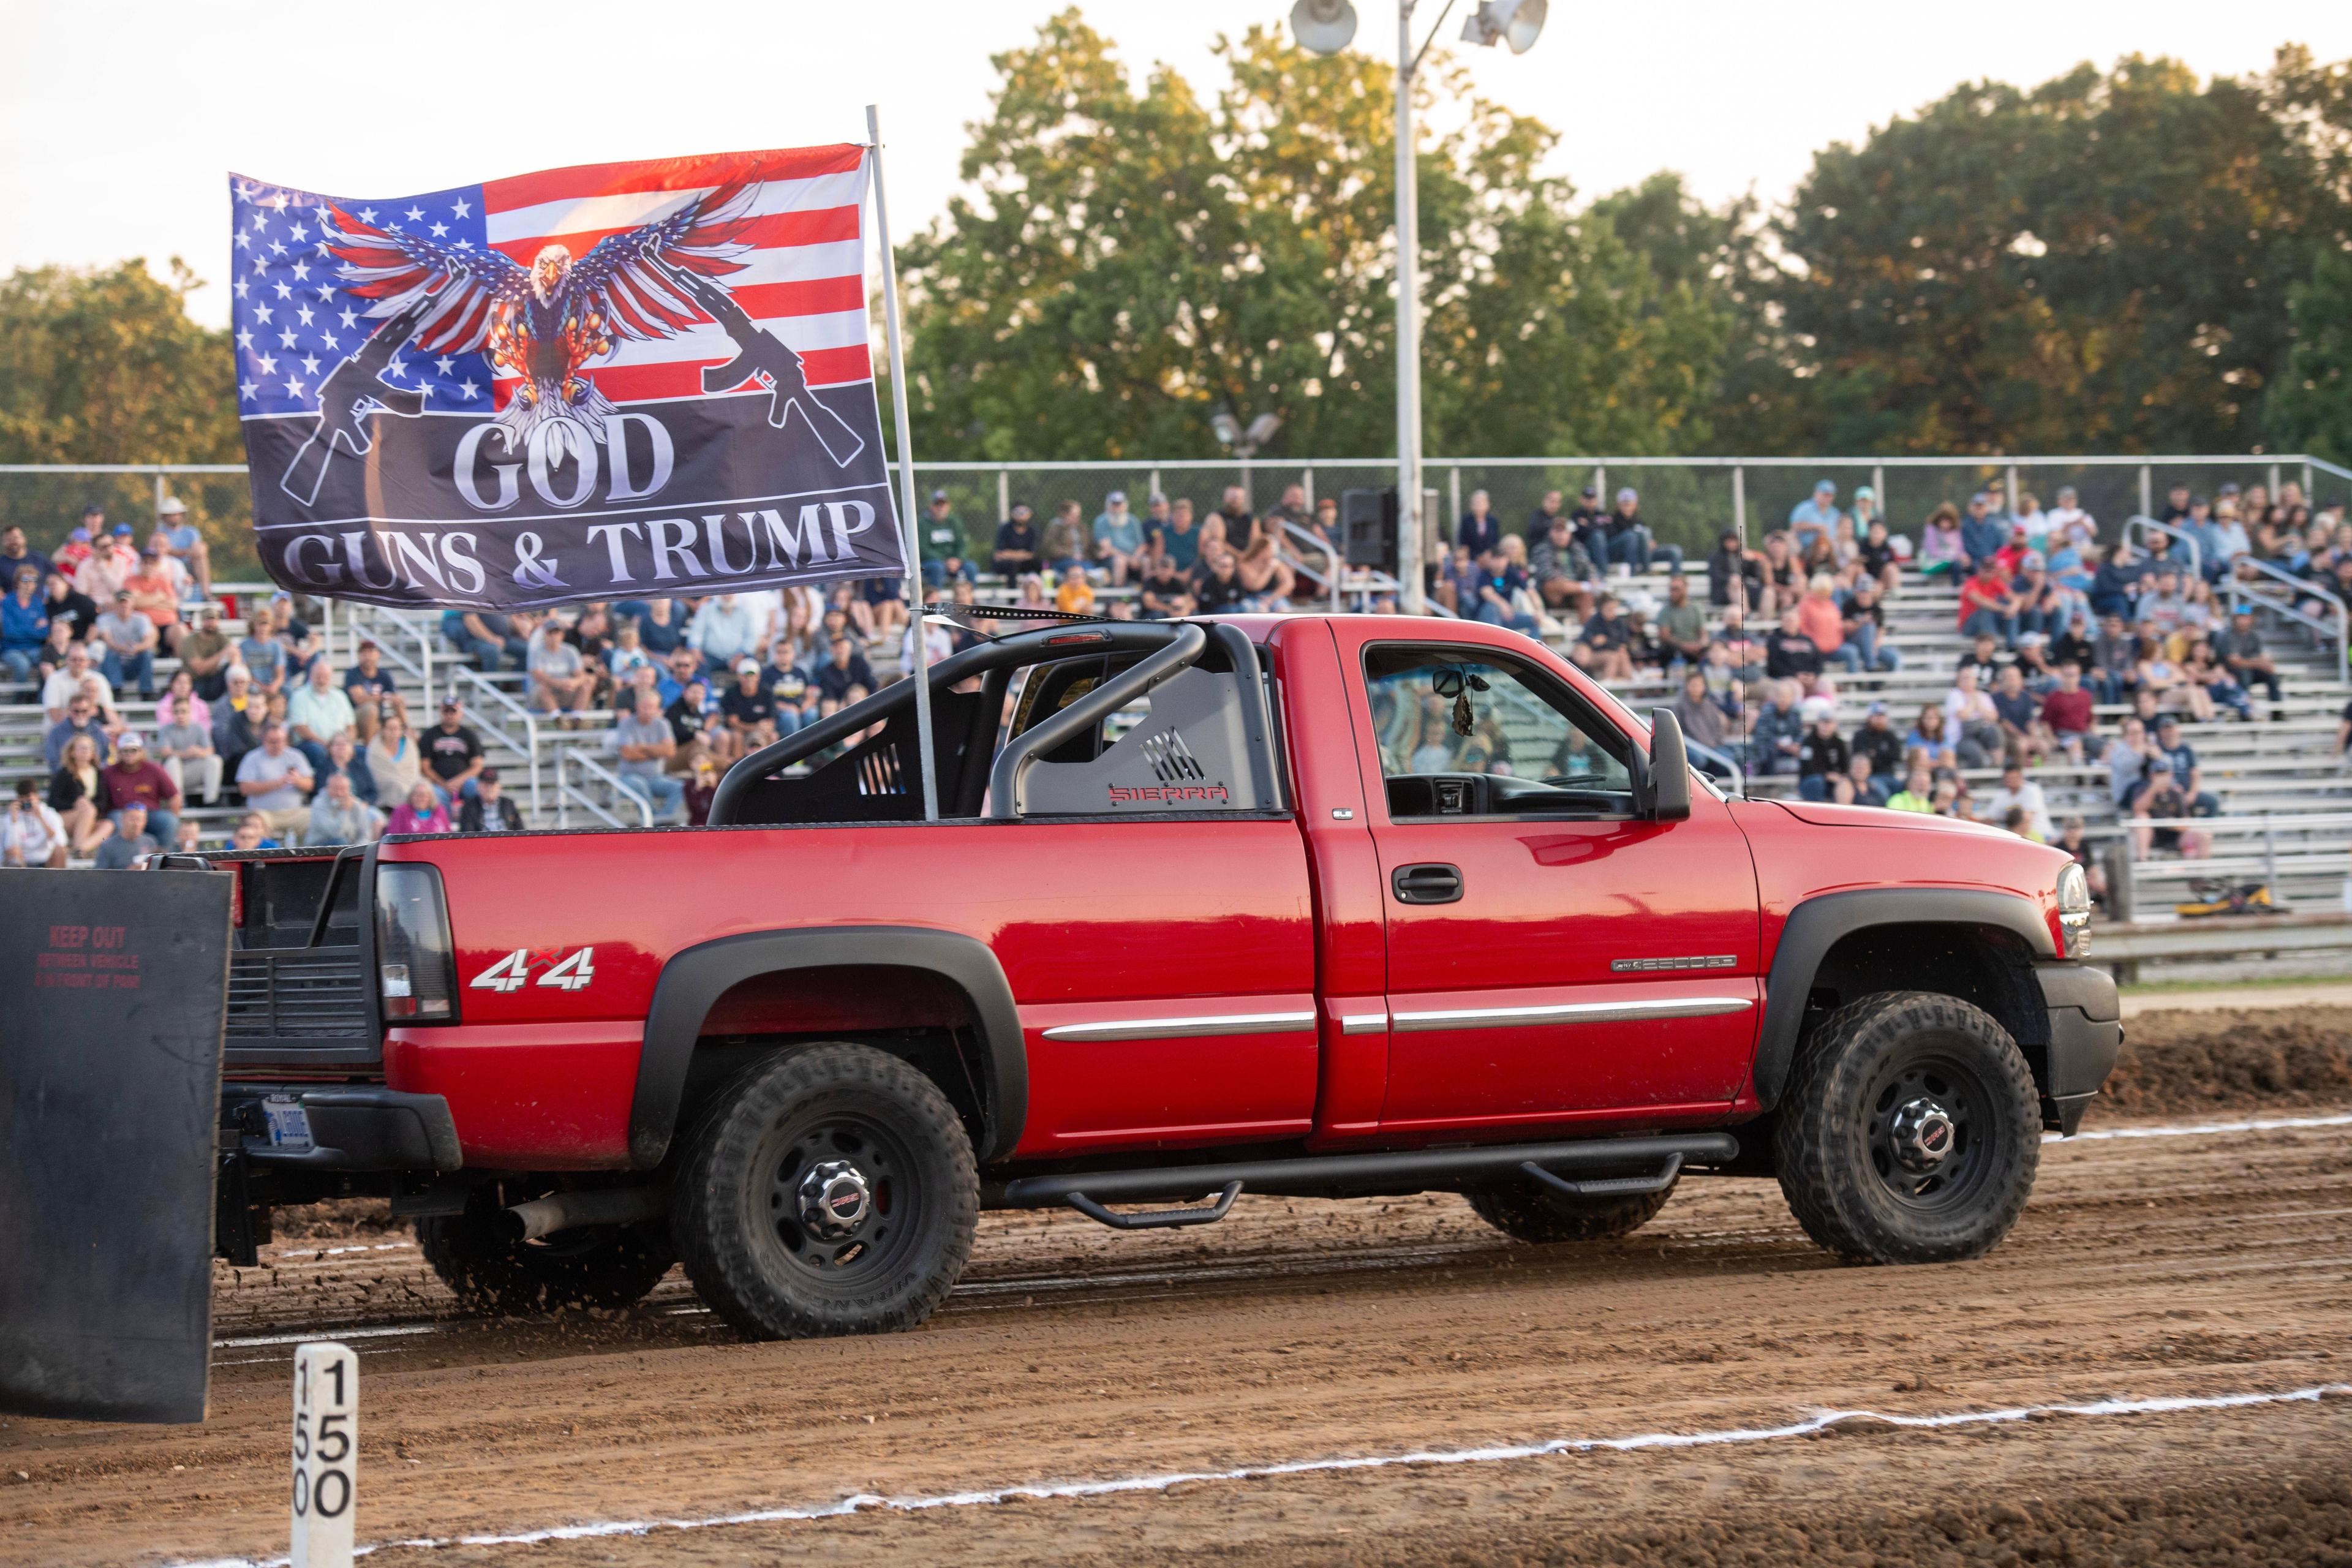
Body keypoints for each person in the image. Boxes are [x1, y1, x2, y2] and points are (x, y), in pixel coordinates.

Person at [609, 690, 686, 821]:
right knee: (639, 784)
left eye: (652, 708)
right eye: (645, 707)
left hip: (656, 777)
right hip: (629, 778)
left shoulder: (663, 724)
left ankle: (663, 819)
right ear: (637, 707)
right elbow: (628, 754)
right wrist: (657, 751)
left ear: (657, 708)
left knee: (681, 787)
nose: (648, 711)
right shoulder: (626, 724)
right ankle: (654, 819)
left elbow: (670, 752)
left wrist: (643, 747)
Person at [98, 729, 181, 847]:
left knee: (170, 821)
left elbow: (174, 797)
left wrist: (174, 815)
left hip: (149, 814)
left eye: (134, 750)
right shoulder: (108, 773)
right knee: (117, 820)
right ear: (119, 753)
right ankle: (125, 858)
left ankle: (162, 857)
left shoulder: (154, 769)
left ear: (141, 751)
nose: (129, 754)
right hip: (121, 813)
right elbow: (100, 800)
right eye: (125, 751)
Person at [235, 723, 312, 841]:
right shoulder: (252, 758)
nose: (278, 745)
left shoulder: (296, 756)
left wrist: (298, 781)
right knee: (254, 823)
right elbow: (244, 788)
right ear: (264, 741)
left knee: (315, 817)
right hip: (264, 814)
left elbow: (310, 785)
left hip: (294, 812)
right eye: (273, 742)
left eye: (281, 741)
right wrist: (276, 784)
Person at [285, 656, 358, 775]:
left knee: (361, 752)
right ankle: (323, 783)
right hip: (311, 744)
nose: (322, 680)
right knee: (317, 751)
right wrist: (328, 745)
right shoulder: (299, 696)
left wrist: (345, 744)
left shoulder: (340, 696)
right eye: (318, 676)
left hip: (338, 744)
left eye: (325, 677)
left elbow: (351, 726)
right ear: (311, 676)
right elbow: (300, 728)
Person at [48, 732, 115, 856]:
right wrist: (75, 804)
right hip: (66, 818)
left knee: (108, 825)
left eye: (89, 747)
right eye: (82, 747)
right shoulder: (65, 773)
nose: (86, 751)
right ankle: (79, 849)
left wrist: (87, 804)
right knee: (87, 809)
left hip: (88, 819)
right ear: (72, 752)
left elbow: (103, 802)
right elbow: (53, 802)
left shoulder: (98, 773)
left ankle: (80, 849)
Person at [2212, 608, 2283, 714]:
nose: (2243, 621)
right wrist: (2258, 663)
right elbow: (2234, 661)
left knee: (2271, 676)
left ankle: (2278, 712)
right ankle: (2245, 712)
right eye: (2240, 617)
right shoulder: (2227, 635)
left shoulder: (2254, 636)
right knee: (2244, 675)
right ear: (2235, 619)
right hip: (2230, 671)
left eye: (2245, 617)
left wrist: (2267, 664)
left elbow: (2262, 656)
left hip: (2249, 669)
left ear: (2251, 619)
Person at [91, 589, 157, 699]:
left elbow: (148, 641)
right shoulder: (104, 619)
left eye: (126, 602)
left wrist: (137, 648)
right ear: (116, 604)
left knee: (147, 654)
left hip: (133, 660)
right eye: (121, 602)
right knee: (109, 652)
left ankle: (146, 691)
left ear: (133, 603)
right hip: (114, 662)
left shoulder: (142, 619)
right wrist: (121, 648)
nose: (124, 605)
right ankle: (116, 689)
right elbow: (107, 640)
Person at [423, 698, 486, 804]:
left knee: (476, 786)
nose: (450, 715)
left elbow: (477, 765)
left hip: (465, 782)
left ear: (460, 713)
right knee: (434, 793)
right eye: (446, 711)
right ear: (441, 712)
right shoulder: (430, 734)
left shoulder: (469, 735)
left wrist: (458, 782)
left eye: (453, 711)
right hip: (438, 784)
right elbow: (425, 766)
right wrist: (443, 784)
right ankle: (444, 821)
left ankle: (475, 819)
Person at [342, 639, 405, 742]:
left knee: (398, 702)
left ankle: (407, 733)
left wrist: (394, 700)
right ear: (359, 655)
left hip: (378, 719)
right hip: (356, 719)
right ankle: (369, 748)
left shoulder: (384, 675)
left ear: (378, 655)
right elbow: (359, 699)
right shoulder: (353, 674)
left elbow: (394, 697)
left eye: (371, 652)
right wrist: (383, 697)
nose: (368, 657)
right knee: (370, 709)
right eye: (364, 653)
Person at [303, 770, 383, 846]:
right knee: (341, 841)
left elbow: (365, 834)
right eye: (335, 789)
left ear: (349, 789)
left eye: (343, 789)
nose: (339, 793)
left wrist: (358, 849)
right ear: (328, 788)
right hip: (319, 847)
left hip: (349, 847)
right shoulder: (319, 804)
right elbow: (335, 833)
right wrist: (345, 810)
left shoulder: (356, 805)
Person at [3, 776, 69, 868]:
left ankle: (58, 881)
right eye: (23, 799)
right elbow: (9, 846)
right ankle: (17, 880)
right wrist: (14, 822)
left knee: (60, 851)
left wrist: (40, 818)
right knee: (13, 853)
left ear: (37, 797)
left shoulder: (50, 814)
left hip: (46, 858)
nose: (26, 803)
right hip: (23, 860)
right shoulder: (11, 817)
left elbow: (60, 841)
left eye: (29, 799)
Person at [1983, 761, 2055, 842]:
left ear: (2021, 777)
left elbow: (2026, 819)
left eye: (2014, 778)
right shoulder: (2002, 795)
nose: (2011, 781)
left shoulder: (2032, 790)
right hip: (2018, 837)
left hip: (2041, 835)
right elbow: (1989, 819)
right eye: (2008, 778)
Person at [1, 563, 48, 682]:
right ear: (18, 582)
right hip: (12, 649)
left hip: (35, 649)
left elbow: (44, 632)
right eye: (25, 580)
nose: (29, 585)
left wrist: (21, 628)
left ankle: (41, 696)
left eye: (33, 581)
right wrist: (34, 628)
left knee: (47, 661)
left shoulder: (38, 603)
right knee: (23, 665)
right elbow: (9, 631)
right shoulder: (7, 602)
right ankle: (20, 699)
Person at [918, 489, 973, 589]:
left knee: (971, 567)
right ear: (931, 506)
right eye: (937, 504)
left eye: (943, 504)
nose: (940, 507)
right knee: (937, 568)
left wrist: (958, 559)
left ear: (948, 505)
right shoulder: (922, 524)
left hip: (955, 563)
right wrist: (944, 561)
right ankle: (936, 602)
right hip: (931, 563)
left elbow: (963, 544)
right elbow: (923, 549)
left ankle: (971, 600)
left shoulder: (955, 522)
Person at [1795, 706, 1852, 802]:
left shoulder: (1839, 743)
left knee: (1845, 783)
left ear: (1835, 725)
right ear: (1818, 723)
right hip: (1811, 781)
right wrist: (1826, 775)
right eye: (1824, 722)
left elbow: (1845, 766)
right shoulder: (1808, 742)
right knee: (1817, 781)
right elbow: (1806, 767)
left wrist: (1841, 777)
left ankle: (1846, 812)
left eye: (1829, 723)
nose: (1826, 726)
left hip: (1833, 782)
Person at [1091, 491, 1147, 586]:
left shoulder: (1133, 520)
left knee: (1146, 561)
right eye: (1114, 504)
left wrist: (1135, 557)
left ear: (1125, 505)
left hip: (1133, 556)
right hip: (1111, 558)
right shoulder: (1101, 521)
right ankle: (1118, 595)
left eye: (1119, 504)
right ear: (1108, 505)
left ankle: (1148, 591)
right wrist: (1127, 558)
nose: (1117, 507)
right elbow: (1106, 547)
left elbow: (1142, 545)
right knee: (1120, 561)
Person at [1654, 573, 1709, 666]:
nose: (1673, 593)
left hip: (1695, 646)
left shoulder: (1696, 609)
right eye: (1671, 589)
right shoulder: (1665, 611)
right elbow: (1665, 637)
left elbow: (1703, 633)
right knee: (1667, 649)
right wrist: (1686, 646)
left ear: (1686, 589)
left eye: (1676, 589)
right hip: (1676, 648)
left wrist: (1701, 644)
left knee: (1713, 650)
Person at [91, 801, 159, 869]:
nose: (136, 824)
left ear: (145, 822)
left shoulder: (150, 842)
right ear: (122, 819)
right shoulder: (108, 846)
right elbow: (99, 874)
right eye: (132, 819)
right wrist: (129, 871)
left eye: (140, 820)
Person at [458, 767, 526, 832]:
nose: (489, 789)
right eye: (486, 785)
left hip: (507, 843)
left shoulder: (508, 804)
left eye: (492, 785)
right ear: (478, 787)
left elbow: (520, 829)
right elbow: (467, 833)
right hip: (481, 843)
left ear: (499, 787)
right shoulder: (469, 806)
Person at [1787, 480, 1843, 556]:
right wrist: (1815, 527)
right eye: (1825, 495)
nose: (1828, 498)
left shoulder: (1835, 512)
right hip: (1807, 547)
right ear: (1816, 494)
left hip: (1830, 548)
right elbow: (1794, 526)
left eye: (1830, 495)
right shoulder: (1804, 508)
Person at [385, 780, 451, 836]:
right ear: (410, 796)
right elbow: (393, 836)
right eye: (416, 795)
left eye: (423, 795)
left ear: (431, 798)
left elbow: (448, 834)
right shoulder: (401, 811)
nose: (419, 799)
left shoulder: (439, 810)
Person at [1457, 490, 1504, 559]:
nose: (1479, 506)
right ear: (1471, 505)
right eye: (1476, 503)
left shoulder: (1493, 521)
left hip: (1490, 558)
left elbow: (1496, 542)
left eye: (1481, 503)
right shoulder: (1466, 521)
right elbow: (1463, 543)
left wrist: (1489, 554)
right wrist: (1477, 557)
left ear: (1488, 505)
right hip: (1472, 558)